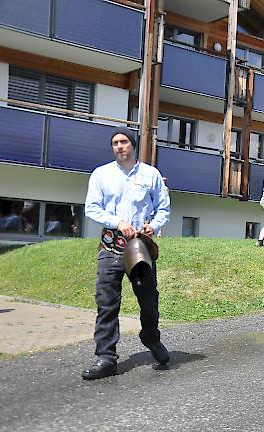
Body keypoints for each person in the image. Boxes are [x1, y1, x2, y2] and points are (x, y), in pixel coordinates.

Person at [82, 127, 170, 380]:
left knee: (149, 301)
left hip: (139, 248)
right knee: (107, 304)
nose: (119, 146)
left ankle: (151, 339)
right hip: (110, 247)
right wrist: (118, 222)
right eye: (115, 143)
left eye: (123, 142)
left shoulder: (150, 175)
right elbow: (92, 208)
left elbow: (163, 208)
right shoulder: (101, 174)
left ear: (133, 145)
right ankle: (107, 357)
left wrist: (153, 225)